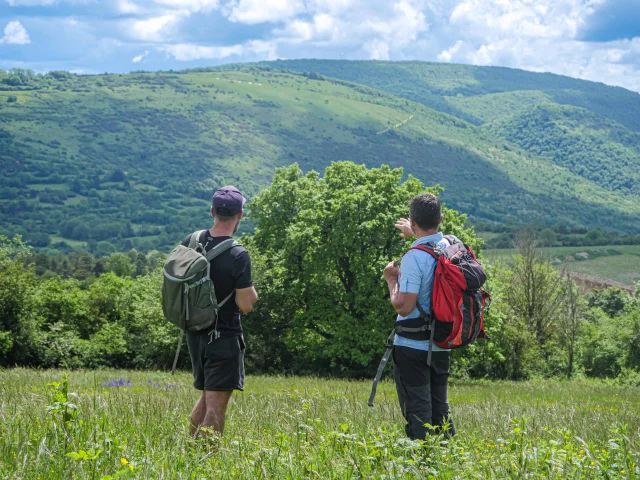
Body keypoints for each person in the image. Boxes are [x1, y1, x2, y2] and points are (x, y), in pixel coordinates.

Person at [182, 185, 258, 438]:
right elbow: (246, 304)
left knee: (206, 398)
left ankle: (190, 455)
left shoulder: (191, 241)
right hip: (223, 336)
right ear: (240, 215)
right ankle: (205, 463)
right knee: (216, 405)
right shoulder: (238, 253)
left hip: (195, 333)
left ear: (213, 211)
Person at [382, 193, 457, 440]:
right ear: (441, 219)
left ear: (413, 221)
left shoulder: (413, 258)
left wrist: (391, 279)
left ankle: (422, 466)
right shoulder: (452, 246)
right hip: (442, 343)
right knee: (440, 410)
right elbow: (433, 241)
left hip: (412, 348)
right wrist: (413, 232)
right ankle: (450, 461)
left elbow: (404, 306)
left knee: (418, 412)